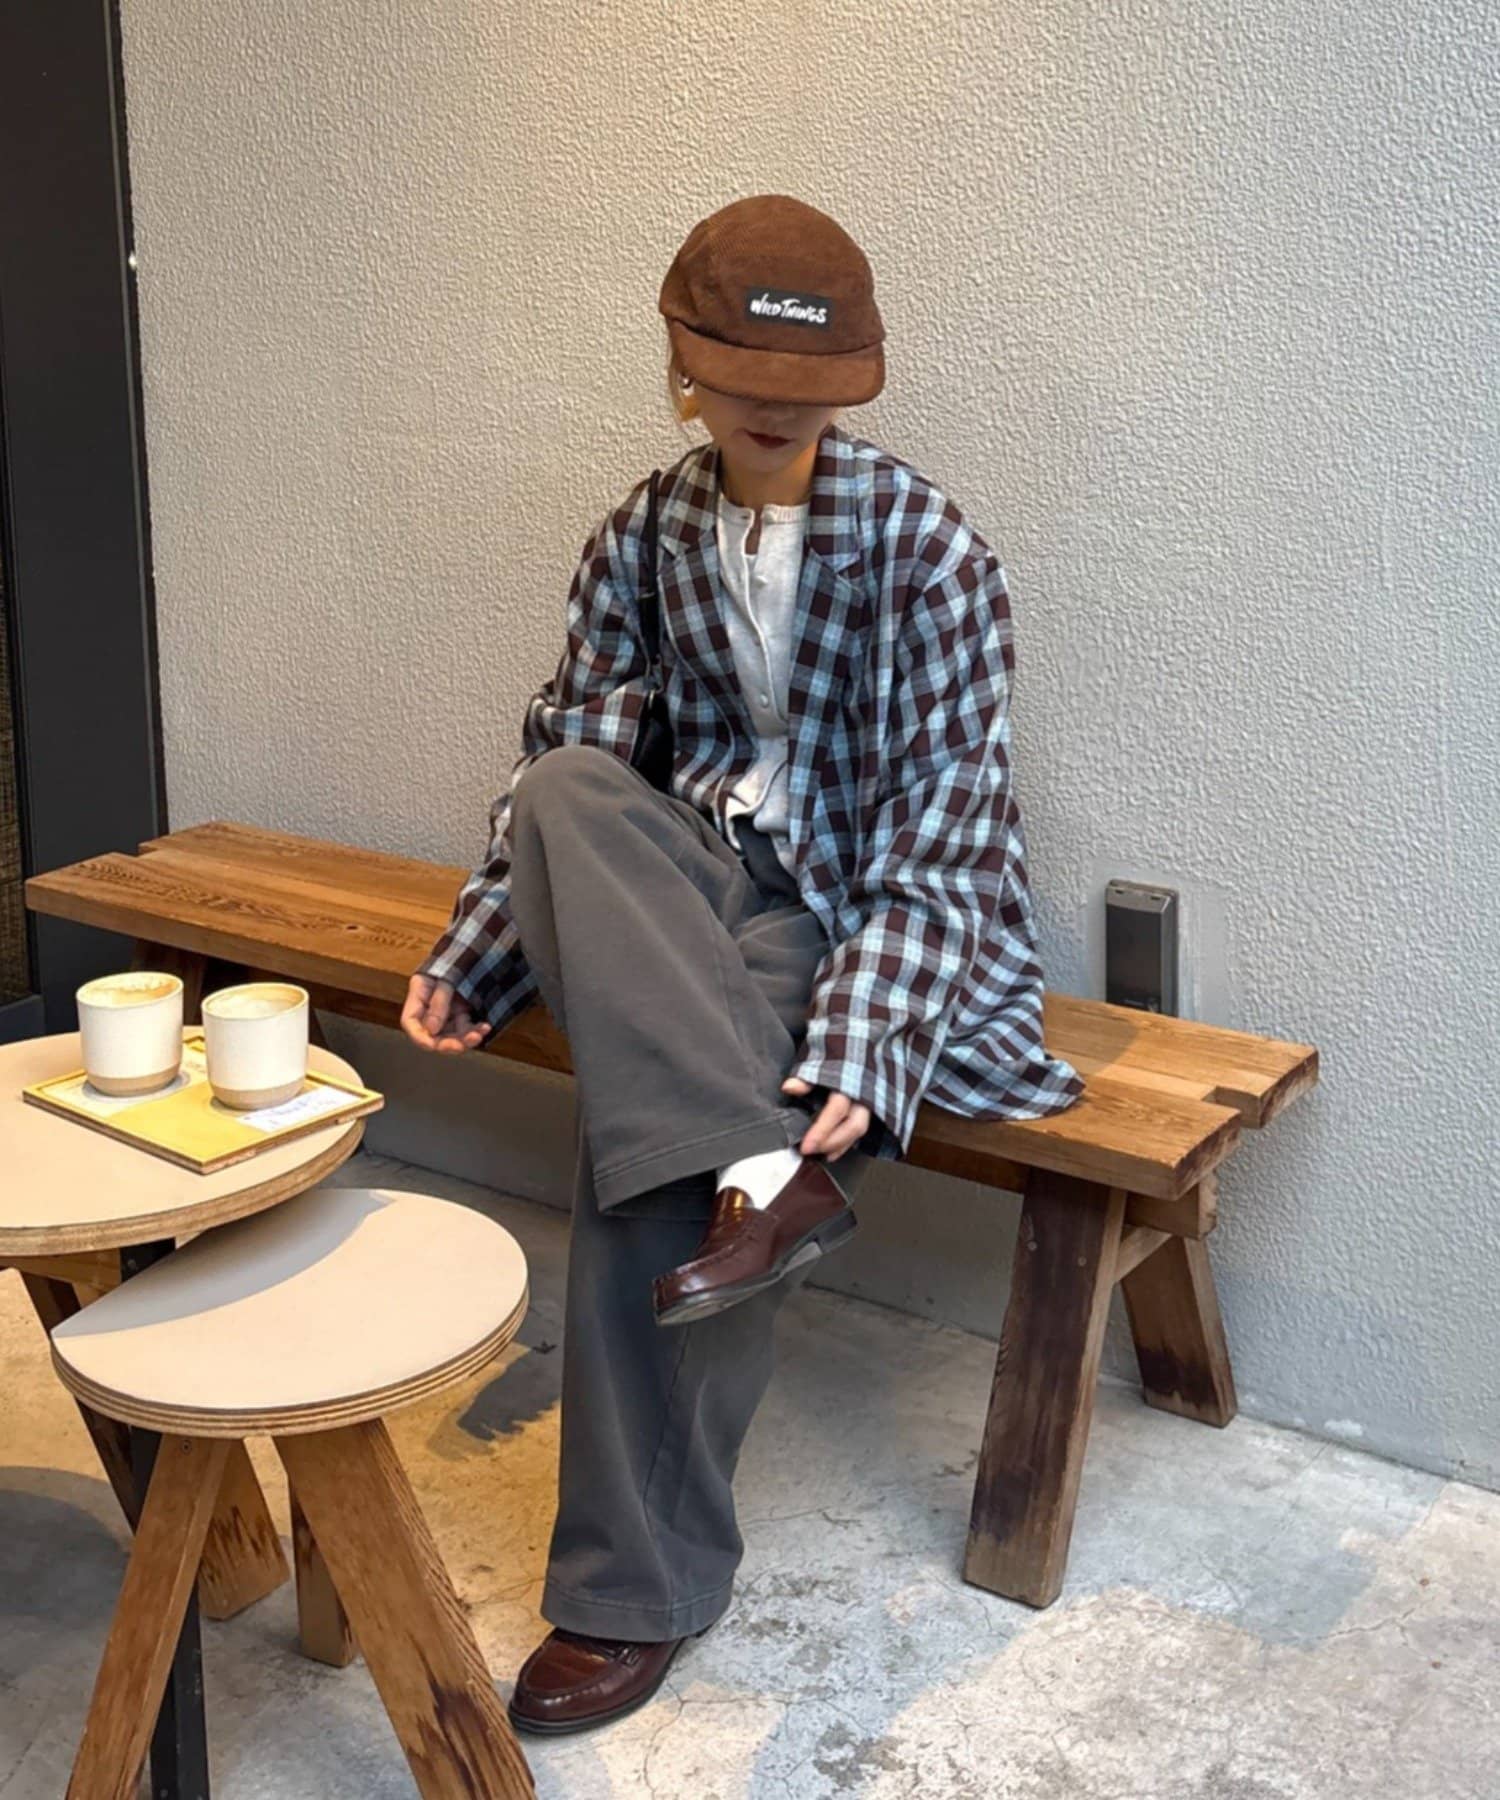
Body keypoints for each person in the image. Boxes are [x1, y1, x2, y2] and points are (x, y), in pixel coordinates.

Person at [400, 194, 1085, 1735]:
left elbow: (947, 835)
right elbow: (574, 760)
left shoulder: (928, 554)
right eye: (740, 375)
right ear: (683, 367)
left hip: (843, 913)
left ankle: (625, 1594)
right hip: (677, 889)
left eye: (809, 382)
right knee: (567, 795)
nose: (775, 407)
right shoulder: (640, 537)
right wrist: (485, 949)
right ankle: (773, 1182)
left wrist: (862, 1040)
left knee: (646, 1154)